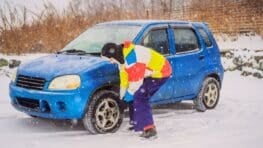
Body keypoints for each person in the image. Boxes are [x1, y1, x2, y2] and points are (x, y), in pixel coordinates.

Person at [101, 41, 172, 139]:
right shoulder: (121, 58)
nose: (111, 62)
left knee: (140, 96)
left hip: (161, 71)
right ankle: (135, 122)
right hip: (147, 72)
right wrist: (123, 96)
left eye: (110, 59)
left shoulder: (132, 59)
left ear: (115, 55)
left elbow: (136, 83)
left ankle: (150, 129)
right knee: (133, 94)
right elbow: (124, 78)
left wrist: (127, 97)